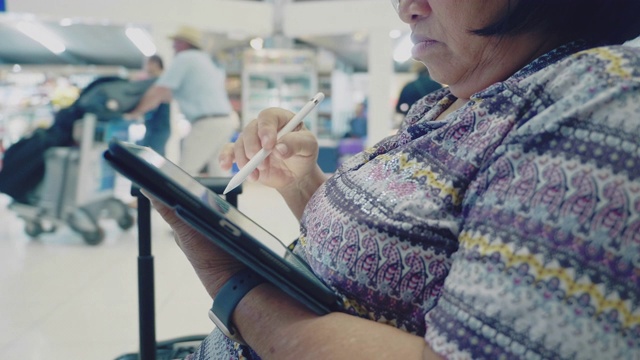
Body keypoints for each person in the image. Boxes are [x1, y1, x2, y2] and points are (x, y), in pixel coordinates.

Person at [146, 1, 640, 358]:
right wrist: (301, 183)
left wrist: (227, 277)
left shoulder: (594, 102)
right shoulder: (453, 98)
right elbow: (396, 260)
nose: (406, 7)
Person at [127, 25, 237, 176]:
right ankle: (224, 200)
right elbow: (170, 95)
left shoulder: (185, 58)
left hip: (207, 123)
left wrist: (134, 112)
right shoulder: (207, 61)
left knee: (185, 172)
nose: (173, 46)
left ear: (184, 43)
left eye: (175, 42)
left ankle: (174, 201)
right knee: (219, 171)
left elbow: (159, 91)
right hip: (225, 120)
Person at [138, 55, 171, 156]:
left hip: (159, 128)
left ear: (155, 64)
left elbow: (155, 102)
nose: (145, 67)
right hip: (151, 127)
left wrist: (136, 112)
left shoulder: (162, 82)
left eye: (147, 64)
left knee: (151, 158)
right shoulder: (150, 82)